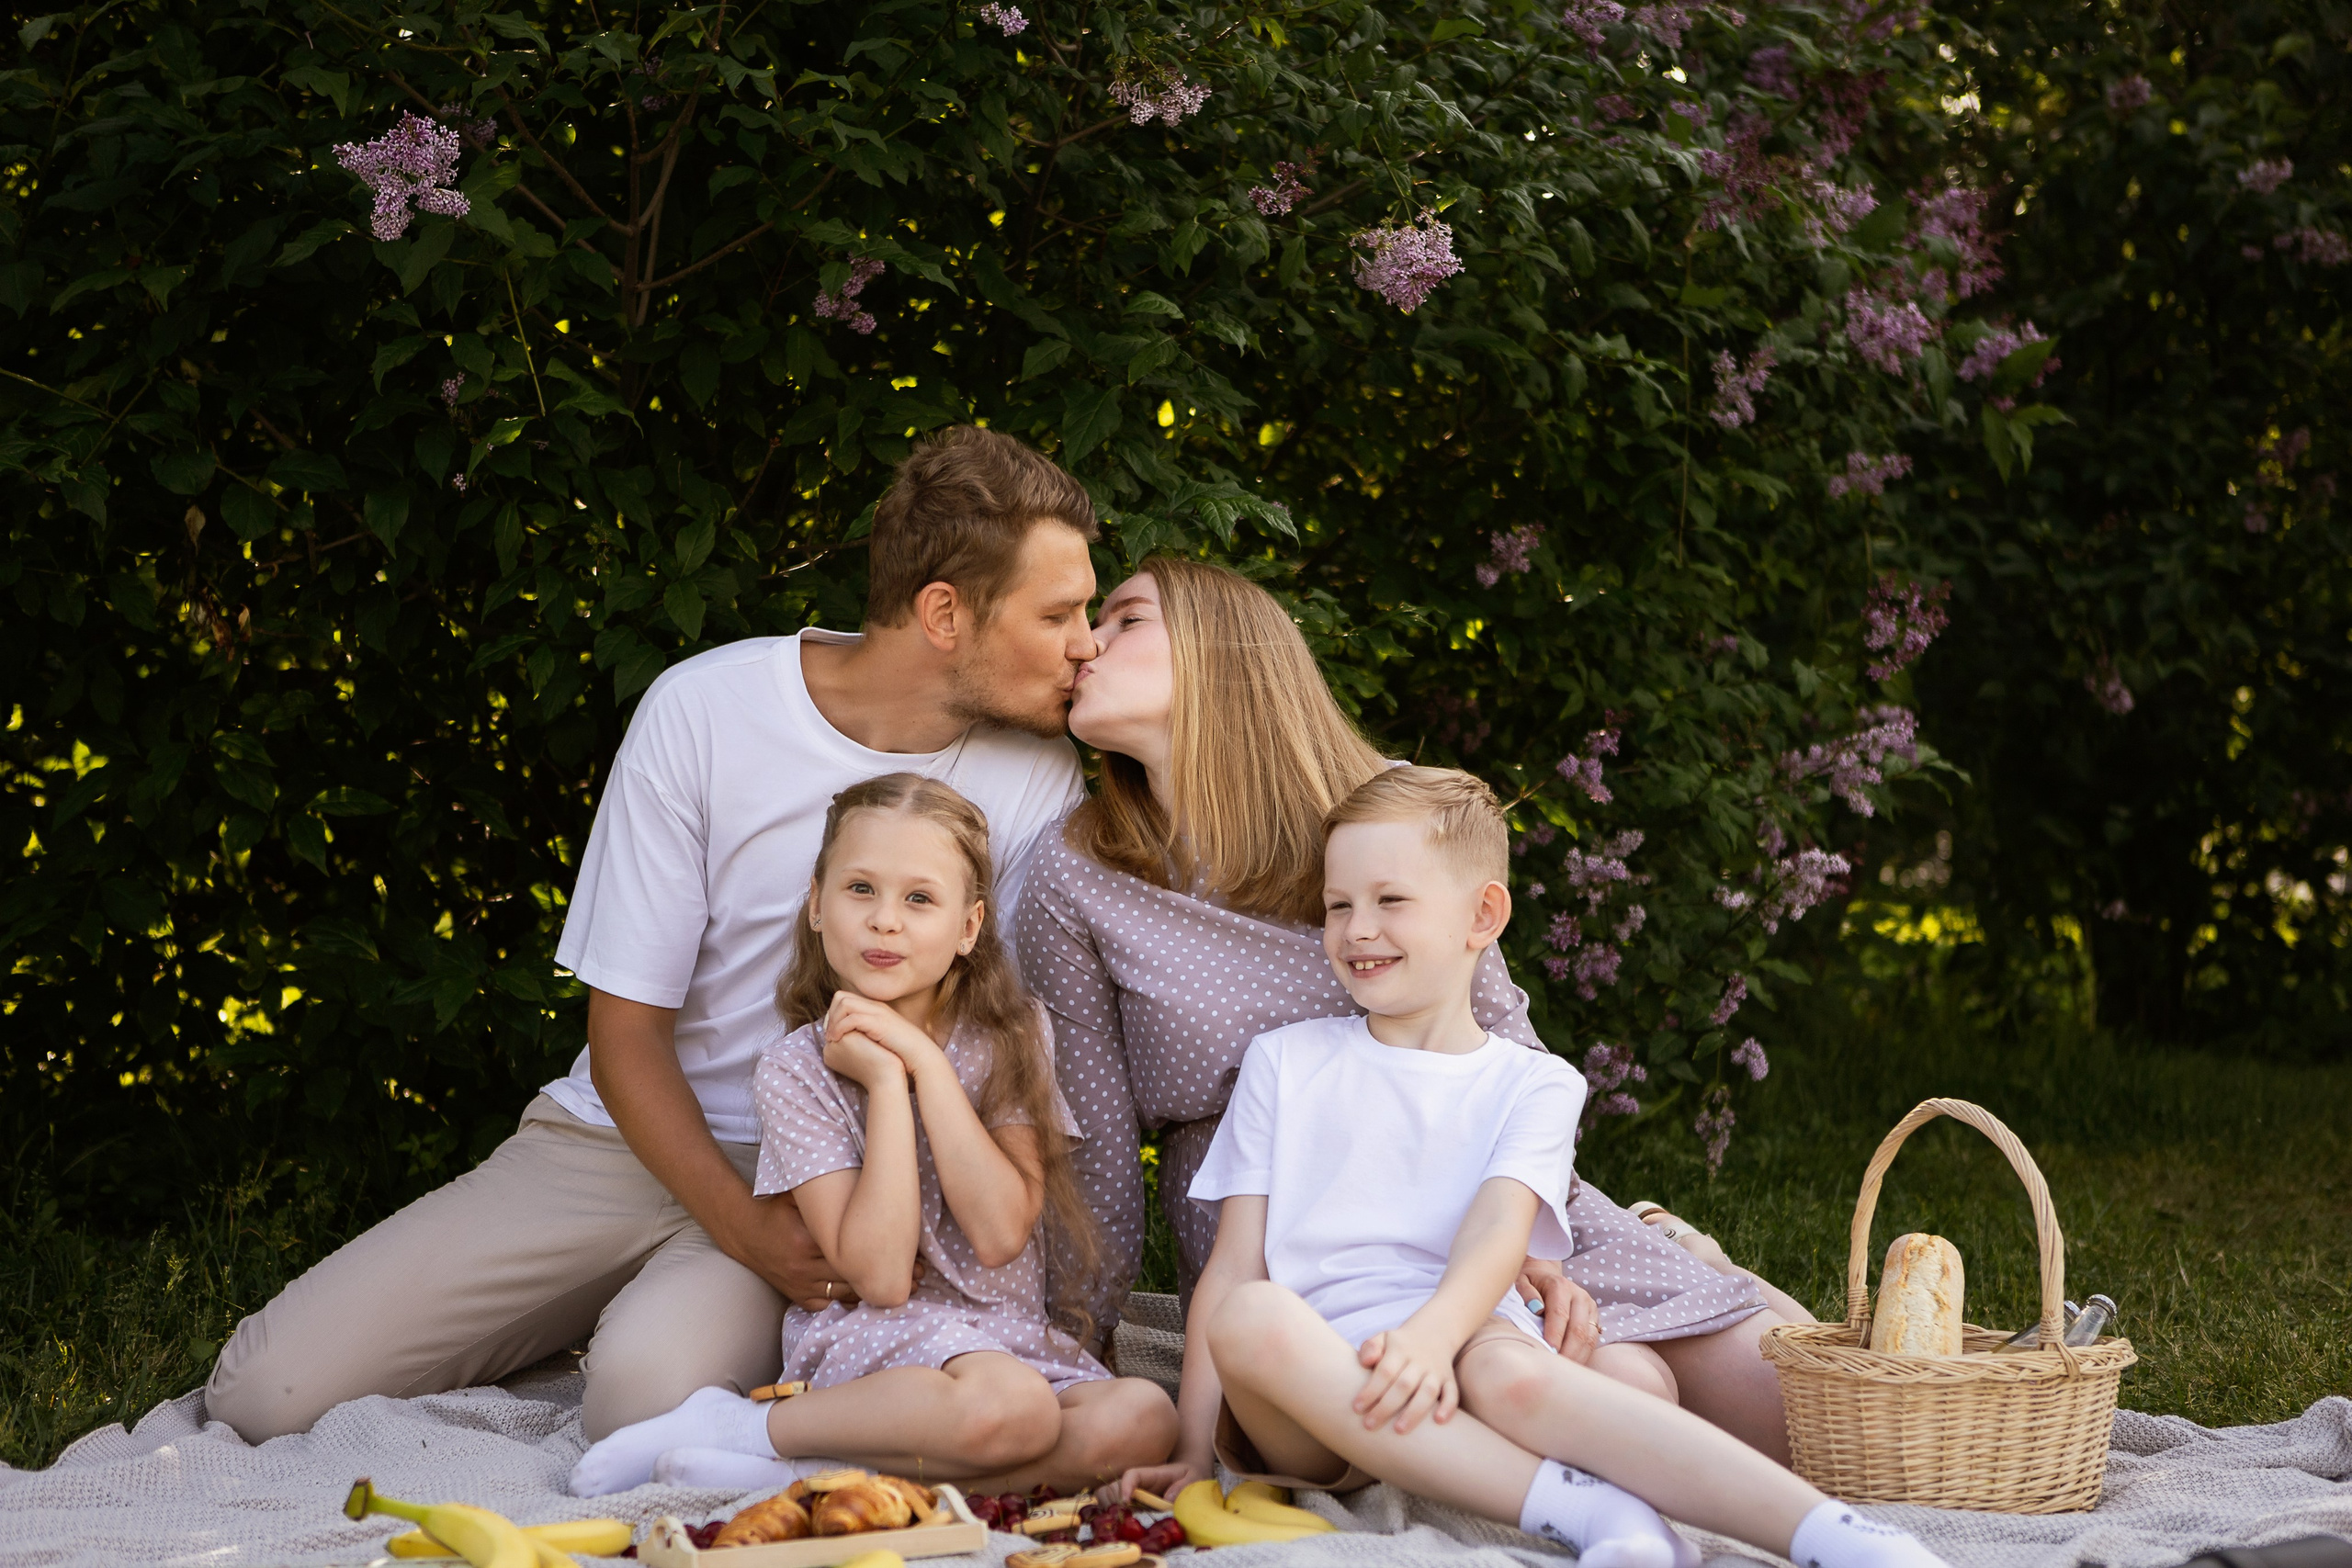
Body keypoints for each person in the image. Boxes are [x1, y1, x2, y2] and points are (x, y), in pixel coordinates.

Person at [207, 427, 1104, 1443]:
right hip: (620, 1139)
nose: (1088, 642)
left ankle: (635, 1331)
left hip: (835, 1171)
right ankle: (571, 1318)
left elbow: (990, 1037)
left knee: (639, 1396)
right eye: (1058, 613)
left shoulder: (1034, 780)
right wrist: (738, 1225)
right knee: (260, 1395)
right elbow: (624, 1030)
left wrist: (799, 1229)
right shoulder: (707, 709)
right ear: (945, 612)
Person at [1013, 556, 1809, 1460]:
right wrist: (1070, 1353)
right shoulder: (1074, 873)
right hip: (1298, 1246)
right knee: (1587, 1419)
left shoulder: (1381, 812)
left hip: (1490, 1214)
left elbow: (1507, 1051)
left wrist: (1523, 1256)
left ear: (1218, 652)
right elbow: (1092, 1159)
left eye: (1124, 620)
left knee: (1798, 1429)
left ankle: (1680, 1258)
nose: (1085, 643)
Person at [1117, 767, 1948, 1568]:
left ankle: (1837, 1536)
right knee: (1251, 1316)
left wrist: (1430, 1336)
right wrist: (1193, 1449)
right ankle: (1596, 1510)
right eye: (1338, 905)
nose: (1357, 928)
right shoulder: (1283, 1062)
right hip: (1315, 1385)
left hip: (1462, 1329)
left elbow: (1496, 1231)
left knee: (1511, 1372)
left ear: (1483, 915)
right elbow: (1232, 1266)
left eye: (1390, 900)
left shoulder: (1534, 1083)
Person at [570, 774, 1177, 1496]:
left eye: (920, 898)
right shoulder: (796, 1069)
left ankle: (803, 1471)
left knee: (1141, 1414)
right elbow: (881, 1277)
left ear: (968, 927)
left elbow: (998, 1233)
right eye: (861, 889)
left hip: (1004, 1334)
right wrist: (888, 1087)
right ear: (817, 906)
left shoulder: (1014, 1035)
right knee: (1011, 1409)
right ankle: (743, 1429)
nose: (886, 920)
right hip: (880, 1340)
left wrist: (923, 1061)